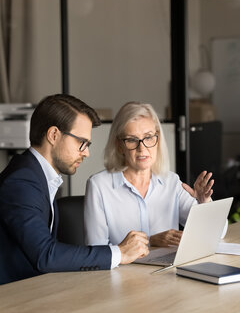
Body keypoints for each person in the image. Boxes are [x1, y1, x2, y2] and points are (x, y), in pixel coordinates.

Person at [0, 94, 149, 285]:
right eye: (82, 143)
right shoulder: (21, 182)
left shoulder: (36, 175)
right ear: (54, 135)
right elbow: (45, 255)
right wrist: (119, 252)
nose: (86, 152)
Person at [84, 101, 228, 247]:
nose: (142, 148)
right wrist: (150, 241)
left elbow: (218, 232)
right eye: (132, 140)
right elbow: (96, 250)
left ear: (157, 140)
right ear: (119, 145)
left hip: (168, 269)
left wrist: (204, 203)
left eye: (148, 137)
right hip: (122, 270)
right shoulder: (99, 185)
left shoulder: (171, 181)